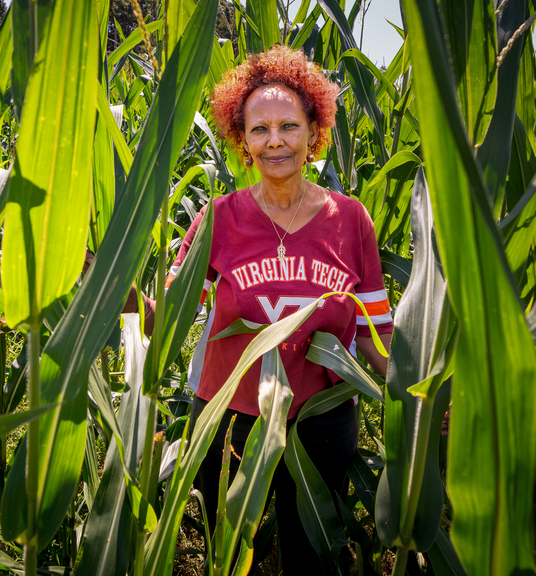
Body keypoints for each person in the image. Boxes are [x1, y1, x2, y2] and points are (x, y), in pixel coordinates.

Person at [125, 45, 393, 571]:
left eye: (289, 126)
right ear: (242, 141)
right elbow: (168, 322)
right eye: (259, 129)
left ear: (314, 131)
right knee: (230, 556)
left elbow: (373, 335)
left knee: (311, 558)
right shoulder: (218, 218)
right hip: (228, 422)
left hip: (321, 422)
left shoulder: (351, 219)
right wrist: (111, 287)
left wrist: (421, 398)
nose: (275, 141)